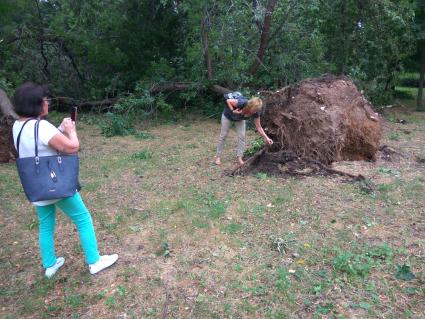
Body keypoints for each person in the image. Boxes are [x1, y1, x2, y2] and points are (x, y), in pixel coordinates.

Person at [12, 82, 118, 278]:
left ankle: (50, 264)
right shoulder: (41, 126)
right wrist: (71, 131)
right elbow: (71, 147)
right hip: (55, 184)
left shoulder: (18, 126)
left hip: (36, 186)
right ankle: (94, 261)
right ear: (36, 103)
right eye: (45, 100)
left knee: (46, 224)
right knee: (83, 218)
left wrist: (58, 129)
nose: (47, 103)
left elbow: (42, 145)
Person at [214, 94, 273, 165]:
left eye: (256, 110)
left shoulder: (256, 112)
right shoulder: (242, 102)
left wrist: (266, 138)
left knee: (242, 137)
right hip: (228, 115)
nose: (254, 112)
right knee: (223, 135)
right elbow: (228, 101)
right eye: (254, 110)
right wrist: (233, 111)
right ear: (250, 106)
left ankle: (239, 158)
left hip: (240, 119)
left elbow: (259, 127)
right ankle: (218, 157)